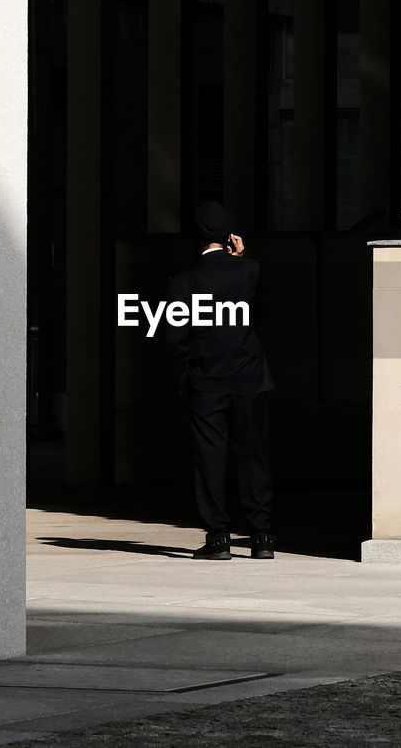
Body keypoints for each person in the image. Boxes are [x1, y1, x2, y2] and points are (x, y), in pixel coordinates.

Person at [166, 201, 276, 561]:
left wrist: (188, 375)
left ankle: (219, 538)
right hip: (250, 378)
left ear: (197, 236)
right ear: (231, 236)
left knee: (210, 458)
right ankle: (261, 537)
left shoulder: (183, 281)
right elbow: (263, 319)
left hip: (206, 381)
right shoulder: (251, 271)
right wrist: (243, 260)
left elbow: (175, 338)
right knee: (254, 455)